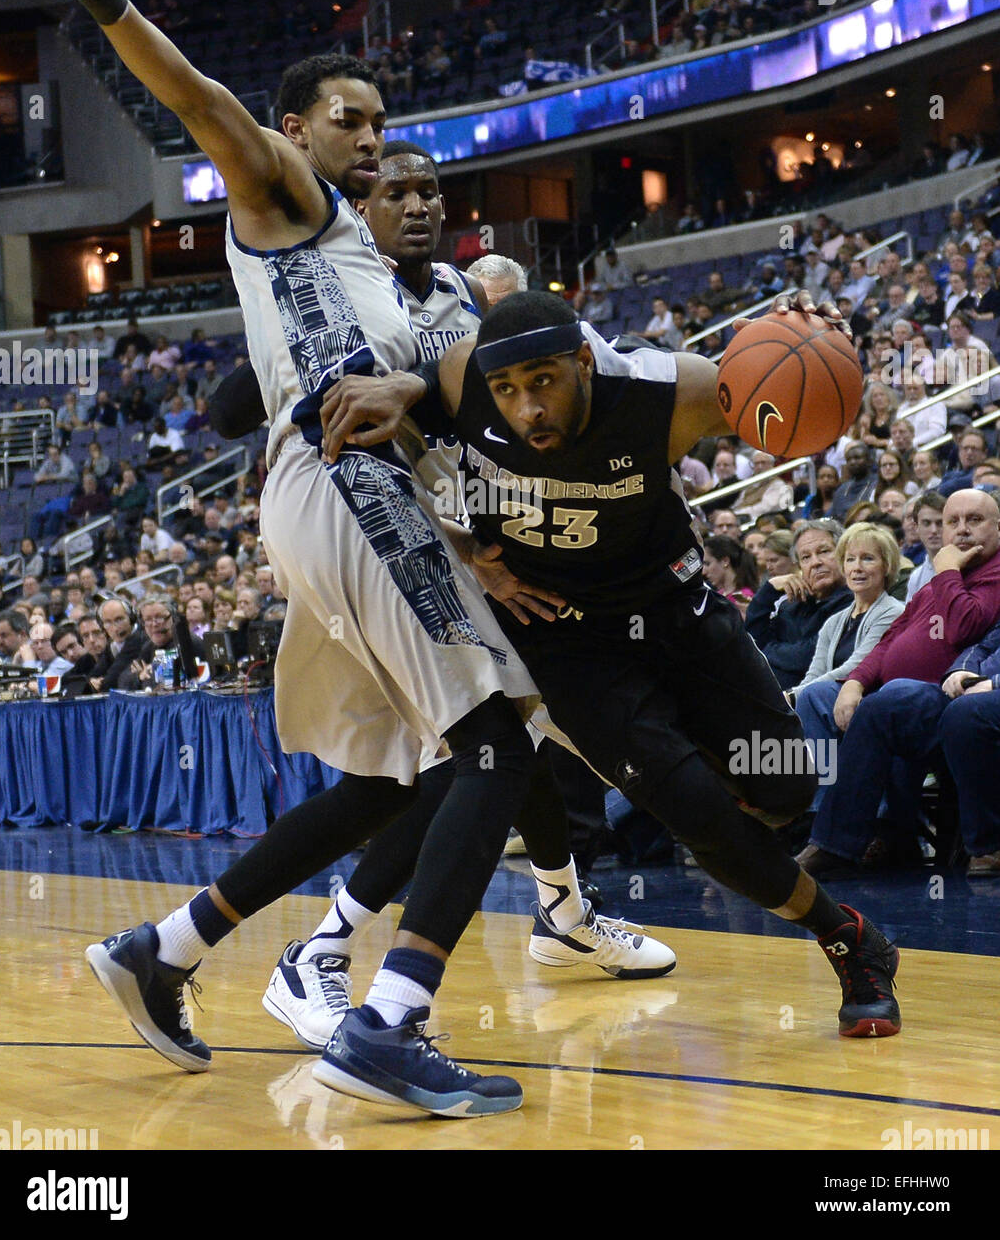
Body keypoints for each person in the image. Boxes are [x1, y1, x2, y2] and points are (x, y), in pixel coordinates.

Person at [16, 0, 656, 1117]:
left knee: (393, 780)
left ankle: (170, 948)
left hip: (357, 500)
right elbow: (200, 104)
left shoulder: (372, 258)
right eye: (345, 119)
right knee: (491, 744)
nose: (369, 136)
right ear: (296, 129)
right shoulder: (287, 198)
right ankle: (389, 1019)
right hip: (344, 493)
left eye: (379, 120)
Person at [319, 288, 904, 1040]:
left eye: (543, 382)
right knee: (699, 816)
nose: (525, 407)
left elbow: (792, 405)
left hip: (675, 610)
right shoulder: (461, 380)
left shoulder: (674, 393)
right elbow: (401, 449)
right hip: (565, 641)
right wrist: (469, 555)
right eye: (508, 391)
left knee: (785, 784)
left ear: (584, 361)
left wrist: (817, 342)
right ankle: (851, 941)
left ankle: (720, 820)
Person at [794, 490, 1000, 875]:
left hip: (945, 695)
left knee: (889, 701)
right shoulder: (935, 583)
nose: (961, 530)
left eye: (975, 520)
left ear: (998, 527)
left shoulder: (989, 573)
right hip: (908, 694)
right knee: (831, 697)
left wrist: (948, 570)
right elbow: (893, 636)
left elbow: (964, 626)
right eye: (952, 521)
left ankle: (852, 841)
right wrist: (855, 681)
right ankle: (827, 831)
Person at [789, 524, 904, 705]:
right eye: (850, 559)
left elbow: (854, 667)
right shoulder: (833, 622)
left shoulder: (894, 612)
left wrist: (793, 696)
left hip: (867, 701)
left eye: (867, 559)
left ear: (887, 566)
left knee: (813, 694)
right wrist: (789, 698)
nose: (857, 567)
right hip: (826, 701)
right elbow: (814, 674)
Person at [745, 520, 852, 689]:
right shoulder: (792, 604)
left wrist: (766, 650)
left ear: (844, 554)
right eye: (806, 557)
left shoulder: (854, 602)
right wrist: (768, 590)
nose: (815, 562)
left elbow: (810, 656)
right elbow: (753, 643)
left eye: (824, 551)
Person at [702, 535, 759, 617]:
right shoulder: (717, 596)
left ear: (725, 561)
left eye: (708, 564)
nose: (704, 572)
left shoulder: (744, 599)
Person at [904, 491, 946, 599]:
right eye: (926, 523)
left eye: (940, 523)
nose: (934, 530)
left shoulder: (965, 568)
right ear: (916, 527)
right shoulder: (915, 577)